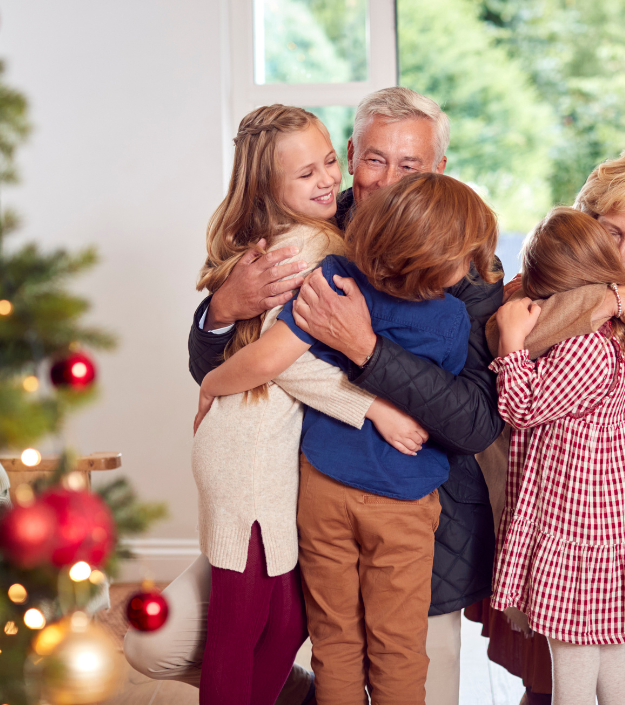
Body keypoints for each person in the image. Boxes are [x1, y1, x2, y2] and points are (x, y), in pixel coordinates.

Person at [132, 88, 625, 705]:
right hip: (287, 501)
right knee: (156, 643)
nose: (389, 181)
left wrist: (366, 351)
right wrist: (224, 310)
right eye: (374, 160)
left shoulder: (466, 266)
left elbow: (474, 422)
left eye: (410, 166)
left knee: (410, 675)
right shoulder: (301, 229)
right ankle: (293, 690)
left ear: (438, 169)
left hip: (417, 523)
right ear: (350, 157)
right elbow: (222, 370)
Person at [128, 104, 424, 705]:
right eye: (304, 174)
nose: (326, 181)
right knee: (241, 628)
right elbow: (286, 362)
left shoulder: (325, 230)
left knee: (287, 623)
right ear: (269, 185)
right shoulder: (306, 247)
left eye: (329, 163)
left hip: (263, 447)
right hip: (248, 456)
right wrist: (373, 408)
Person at [196, 172, 500, 703]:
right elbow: (448, 409)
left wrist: (214, 385)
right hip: (402, 502)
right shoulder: (451, 319)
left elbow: (273, 357)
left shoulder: (334, 274)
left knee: (334, 640)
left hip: (323, 487)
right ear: (442, 262)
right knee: (398, 645)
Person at [467, 145, 625, 703]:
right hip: (555, 488)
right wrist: (610, 294)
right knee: (577, 645)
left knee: (599, 641)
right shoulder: (559, 278)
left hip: (599, 498)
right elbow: (509, 330)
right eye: (611, 231)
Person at [490, 207, 625, 705]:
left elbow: (522, 407)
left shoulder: (582, 349)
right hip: (599, 527)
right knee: (608, 657)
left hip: (581, 532)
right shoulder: (604, 336)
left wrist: (511, 342)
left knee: (572, 664)